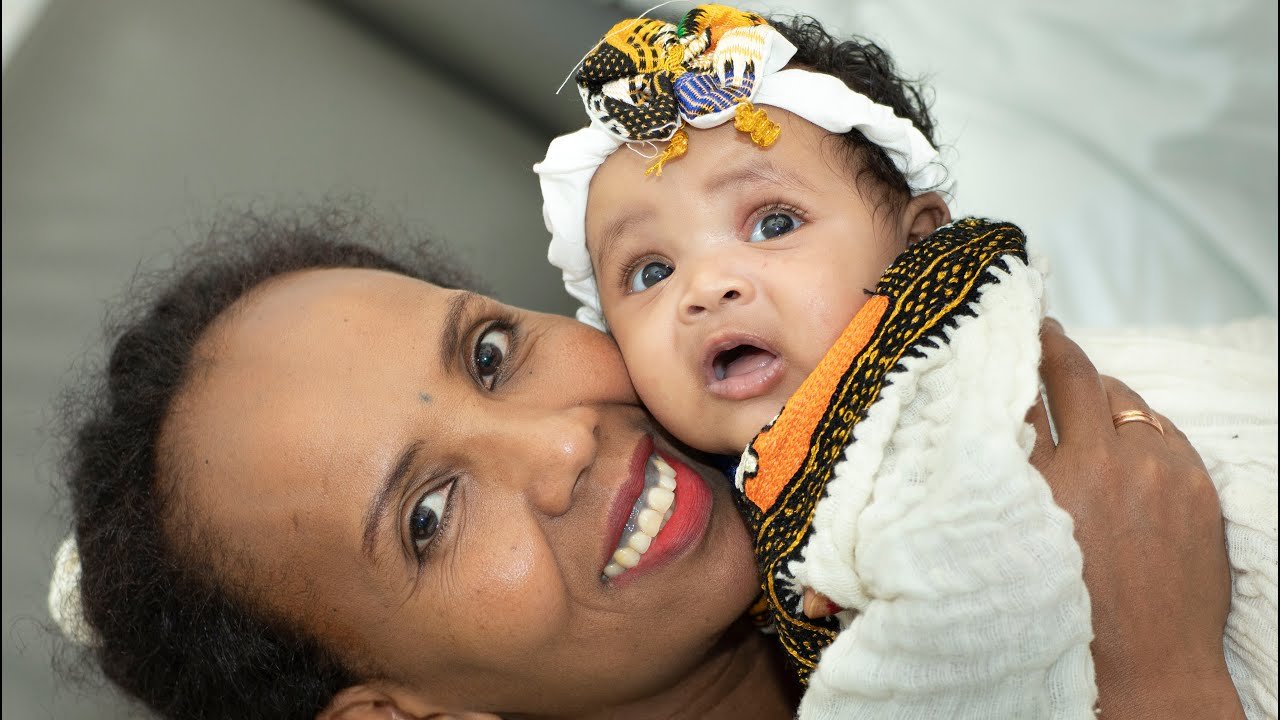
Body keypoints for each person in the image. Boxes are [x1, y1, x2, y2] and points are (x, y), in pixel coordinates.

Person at [48, 205, 1245, 719]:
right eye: (429, 515)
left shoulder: (900, 443)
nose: (563, 442)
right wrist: (1156, 675)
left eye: (490, 354)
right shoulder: (1125, 609)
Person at [535, 6, 1276, 718]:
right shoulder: (744, 511)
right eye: (651, 273)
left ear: (916, 242)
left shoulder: (941, 367)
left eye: (774, 223)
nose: (705, 287)